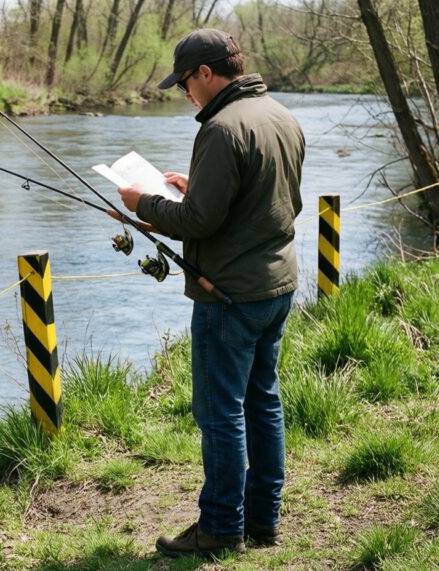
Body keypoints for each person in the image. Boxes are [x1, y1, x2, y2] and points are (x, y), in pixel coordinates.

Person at [116, 29, 305, 559]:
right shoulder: (281, 116)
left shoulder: (221, 129)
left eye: (184, 83)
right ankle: (264, 521)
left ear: (206, 73)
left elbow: (199, 221)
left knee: (220, 414)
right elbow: (270, 199)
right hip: (276, 286)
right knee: (262, 401)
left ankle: (221, 527)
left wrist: (141, 203)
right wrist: (190, 187)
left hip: (228, 296)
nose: (185, 94)